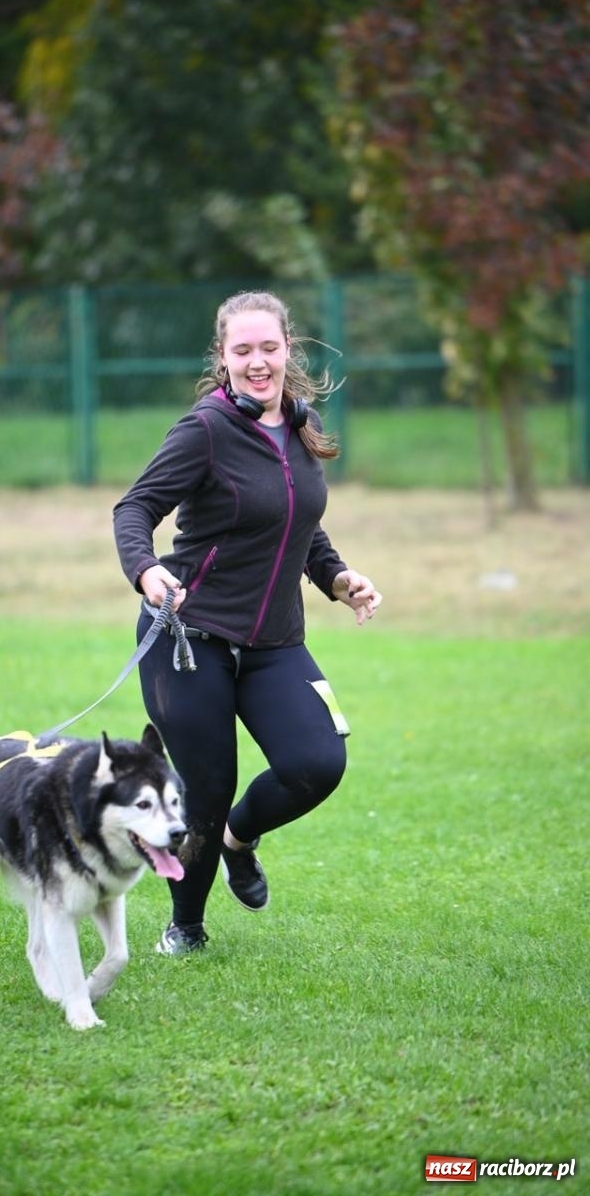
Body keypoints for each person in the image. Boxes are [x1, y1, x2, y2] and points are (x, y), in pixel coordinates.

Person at [113, 290, 382, 955]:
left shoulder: (297, 424)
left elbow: (297, 526)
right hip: (188, 640)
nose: (257, 362)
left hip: (274, 643)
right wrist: (147, 571)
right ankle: (185, 927)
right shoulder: (204, 428)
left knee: (316, 762)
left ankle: (237, 838)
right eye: (242, 351)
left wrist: (337, 578)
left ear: (287, 348)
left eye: (268, 348)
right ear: (223, 357)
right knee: (203, 787)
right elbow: (135, 507)